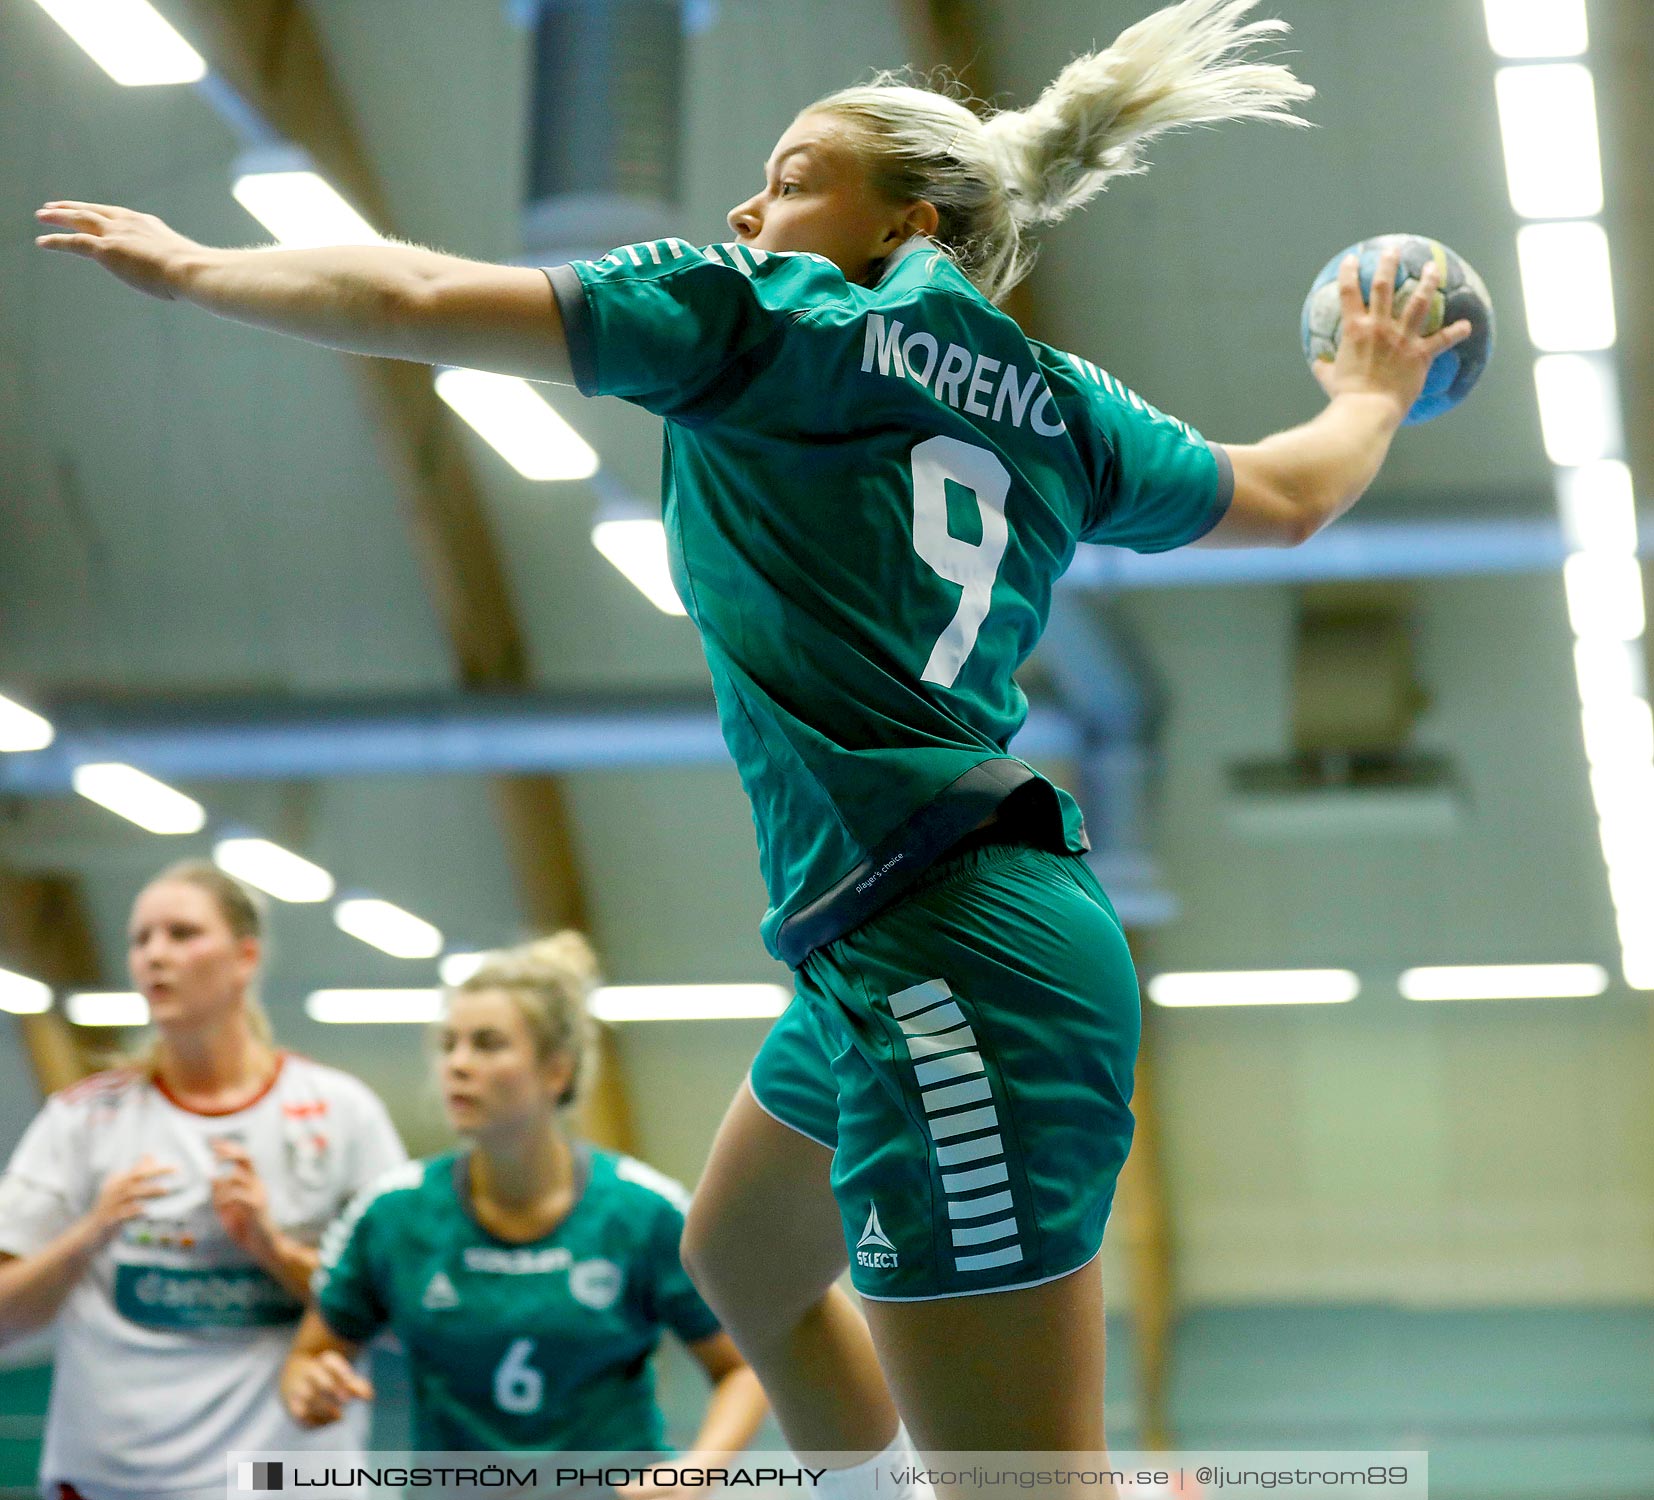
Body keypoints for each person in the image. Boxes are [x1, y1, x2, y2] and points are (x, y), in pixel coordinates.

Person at [33, 0, 1472, 1487]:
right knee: (739, 1261)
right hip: (895, 938)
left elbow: (408, 295)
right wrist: (1367, 393)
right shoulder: (1055, 401)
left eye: (789, 176)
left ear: (904, 222)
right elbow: (1285, 492)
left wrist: (197, 268)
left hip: (953, 966)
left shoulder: (766, 320)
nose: (746, 205)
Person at [278, 934, 767, 1484]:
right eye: (449, 1045)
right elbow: (309, 1357)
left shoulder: (642, 1212)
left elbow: (743, 1368)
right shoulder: (393, 1215)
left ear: (556, 1069)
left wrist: (699, 1470)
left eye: (487, 1045)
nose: (457, 1064)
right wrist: (309, 1384)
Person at [0, 860, 406, 1500]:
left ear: (246, 957)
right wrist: (88, 1236)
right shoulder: (82, 1122)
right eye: (140, 940)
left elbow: (401, 1314)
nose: (154, 956)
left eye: (182, 934)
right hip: (116, 1482)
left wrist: (276, 1251)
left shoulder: (341, 1113)